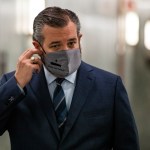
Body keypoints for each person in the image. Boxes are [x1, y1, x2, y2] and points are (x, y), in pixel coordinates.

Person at [0, 6, 140, 150]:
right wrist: (16, 84)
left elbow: (128, 145)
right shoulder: (14, 85)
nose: (66, 52)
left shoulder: (110, 86)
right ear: (37, 46)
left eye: (71, 43)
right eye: (55, 45)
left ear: (79, 39)